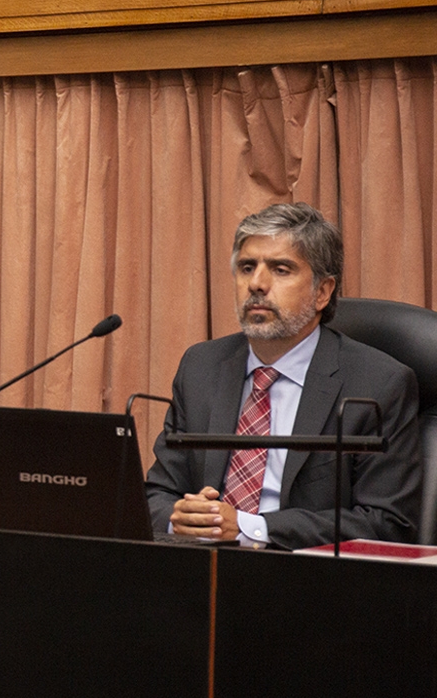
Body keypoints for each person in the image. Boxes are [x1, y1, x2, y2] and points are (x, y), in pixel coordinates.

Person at [145, 202, 421, 550]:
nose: (257, 284)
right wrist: (178, 518)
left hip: (306, 573)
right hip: (201, 569)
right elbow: (157, 493)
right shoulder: (202, 367)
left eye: (280, 269)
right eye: (247, 267)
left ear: (322, 292)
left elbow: (387, 523)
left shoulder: (379, 384)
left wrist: (249, 528)